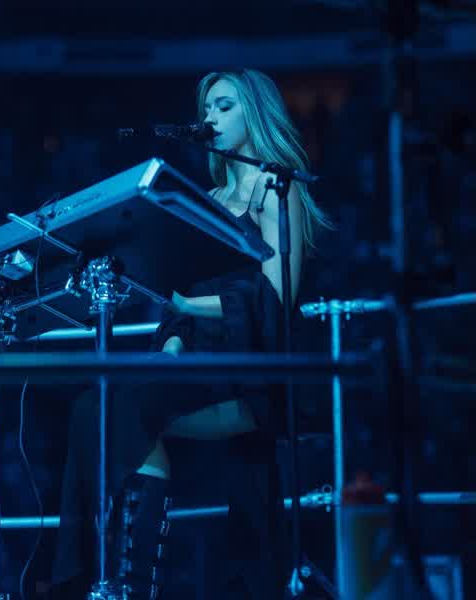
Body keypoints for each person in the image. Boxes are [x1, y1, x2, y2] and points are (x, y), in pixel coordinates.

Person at [49, 69, 331, 600]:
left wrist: (184, 306)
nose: (210, 118)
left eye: (224, 106)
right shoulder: (210, 197)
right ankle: (107, 579)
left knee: (117, 409)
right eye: (206, 109)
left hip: (247, 371)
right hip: (196, 360)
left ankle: (121, 583)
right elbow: (184, 290)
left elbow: (274, 299)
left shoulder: (278, 188)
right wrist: (173, 342)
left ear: (255, 112)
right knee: (95, 406)